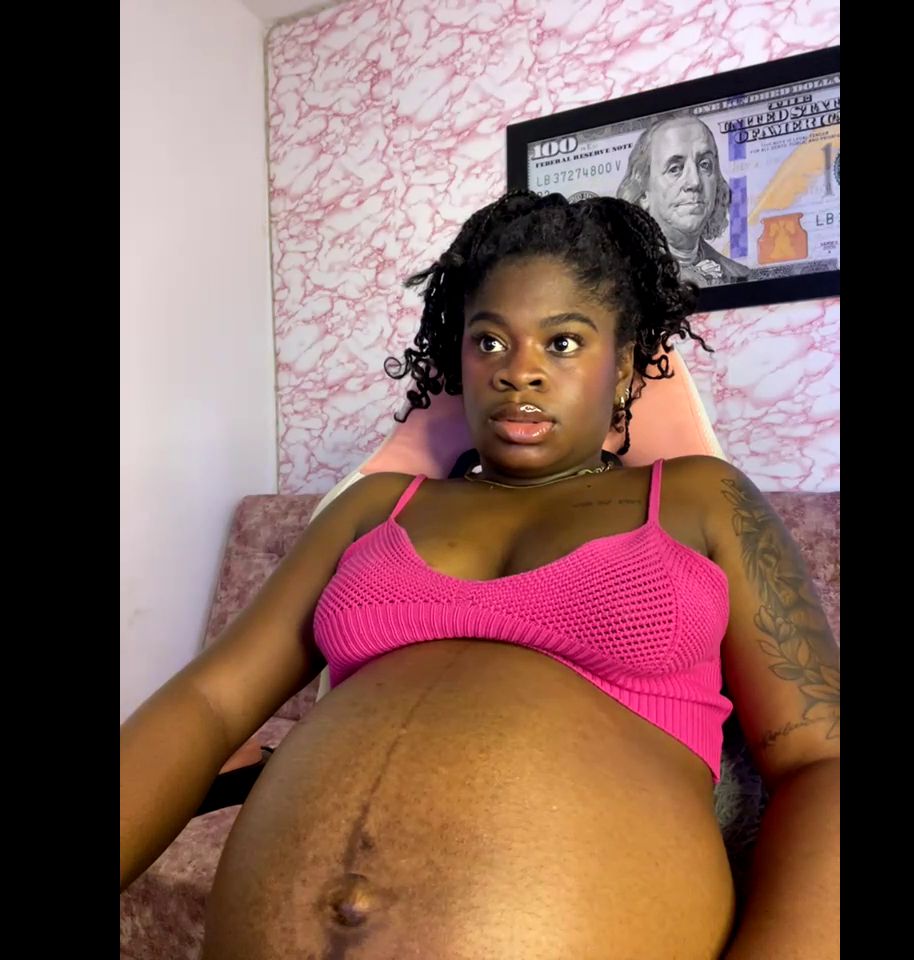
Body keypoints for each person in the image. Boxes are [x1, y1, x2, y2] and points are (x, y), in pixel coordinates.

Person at [120, 190, 839, 959]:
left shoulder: (702, 498)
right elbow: (210, 702)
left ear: (625, 365)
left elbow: (819, 760)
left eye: (563, 342)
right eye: (489, 341)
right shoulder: (376, 506)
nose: (519, 372)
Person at [617, 115, 752, 288]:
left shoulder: (740, 276)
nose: (694, 182)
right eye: (675, 169)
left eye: (704, 165)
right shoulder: (619, 279)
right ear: (643, 192)